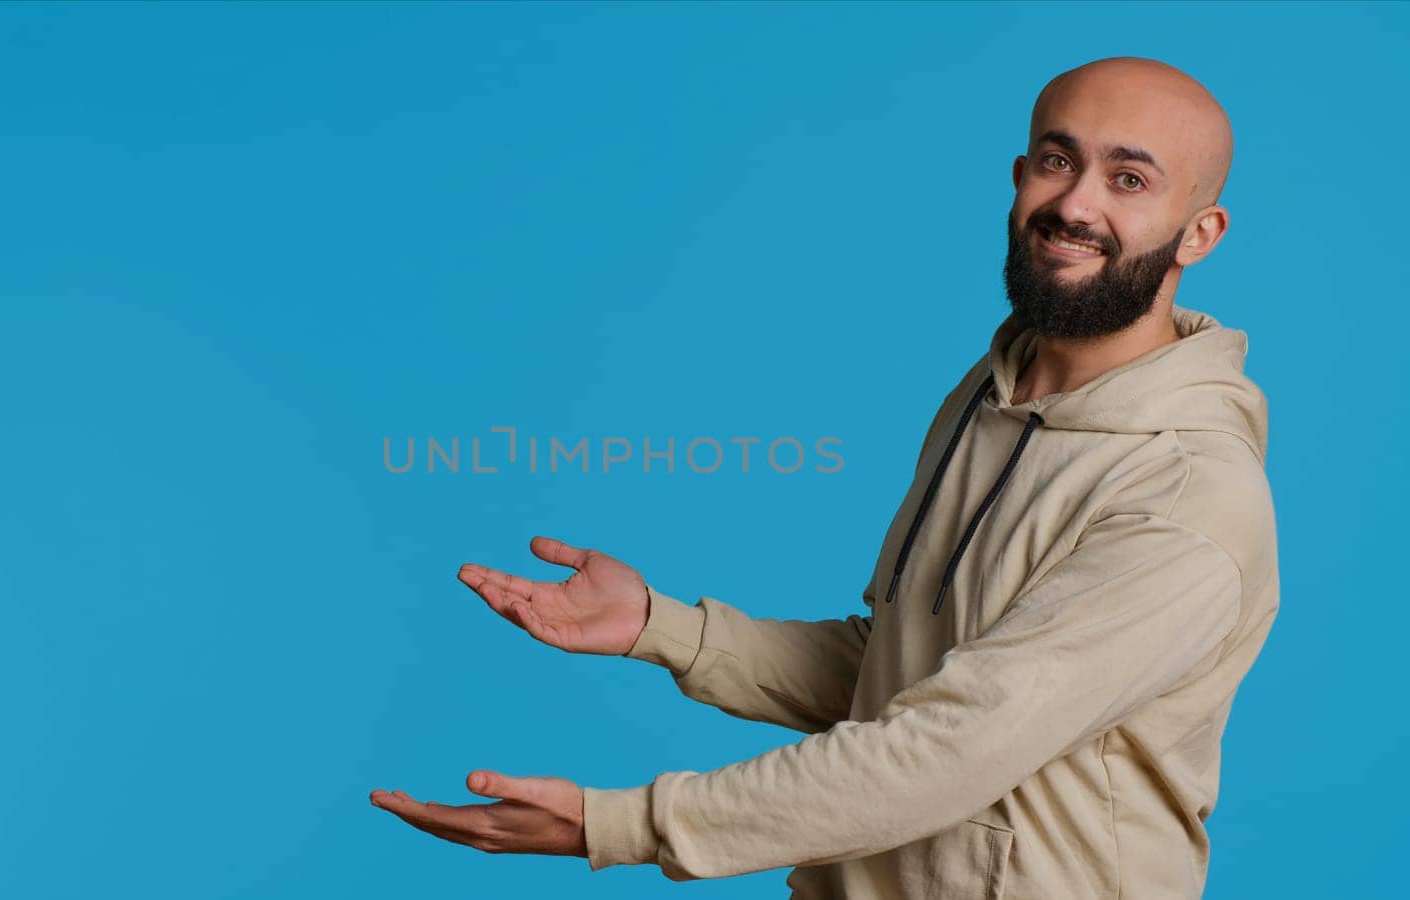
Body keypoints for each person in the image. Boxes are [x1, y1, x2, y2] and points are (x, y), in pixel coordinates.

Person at [369, 55, 1278, 900]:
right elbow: (904, 670)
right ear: (1017, 175)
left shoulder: (1187, 495)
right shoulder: (995, 388)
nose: (1076, 205)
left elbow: (954, 746)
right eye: (1056, 161)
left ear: (1199, 232)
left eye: (1129, 179)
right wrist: (667, 629)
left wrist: (620, 823)